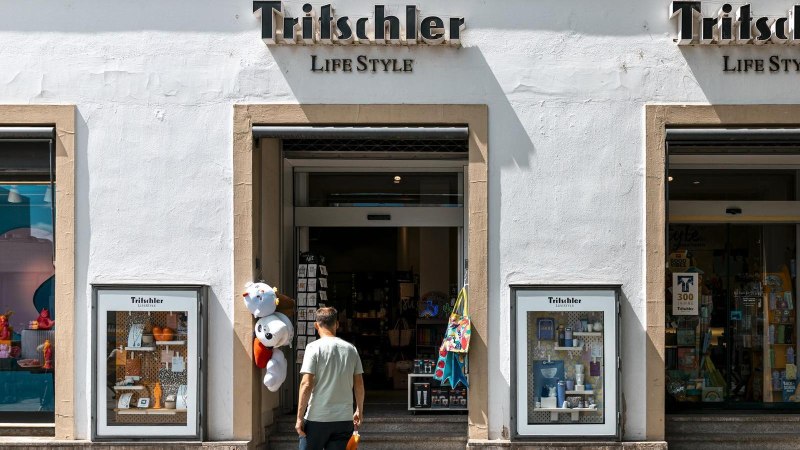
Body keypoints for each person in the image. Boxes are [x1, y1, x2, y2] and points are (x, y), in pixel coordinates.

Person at [296, 307, 364, 450]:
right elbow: (359, 384)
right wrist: (359, 410)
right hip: (344, 418)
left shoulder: (313, 348)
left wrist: (299, 417)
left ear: (316, 325)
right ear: (337, 324)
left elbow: (306, 384)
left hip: (317, 417)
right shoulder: (351, 349)